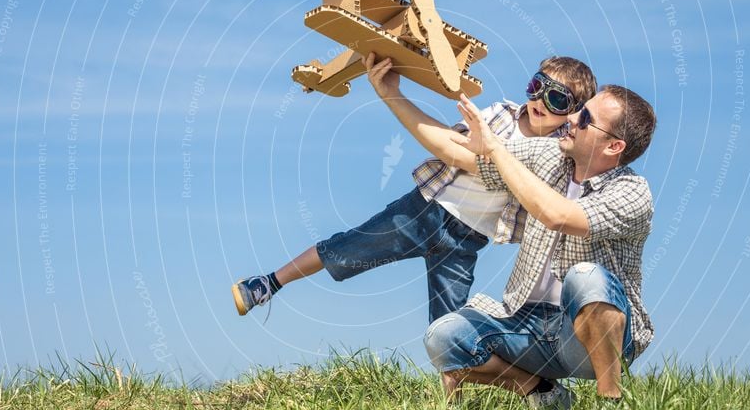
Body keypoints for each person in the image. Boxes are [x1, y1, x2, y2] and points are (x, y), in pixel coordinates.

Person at [231, 53, 597, 324]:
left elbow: (462, 155)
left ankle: (450, 406)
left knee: (448, 323)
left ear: (574, 113)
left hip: (467, 240)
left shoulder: (554, 153)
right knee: (344, 248)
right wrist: (392, 91)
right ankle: (269, 283)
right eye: (537, 87)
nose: (540, 102)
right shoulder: (502, 113)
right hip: (425, 209)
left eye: (557, 99)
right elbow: (454, 146)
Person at [423, 86, 656, 410]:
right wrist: (391, 92)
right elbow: (463, 152)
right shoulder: (550, 155)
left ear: (614, 146)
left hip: (589, 340)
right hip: (527, 326)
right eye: (579, 110)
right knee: (443, 337)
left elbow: (558, 215)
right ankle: (541, 391)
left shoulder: (633, 192)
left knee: (586, 277)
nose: (572, 118)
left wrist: (498, 152)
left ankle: (611, 404)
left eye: (586, 118)